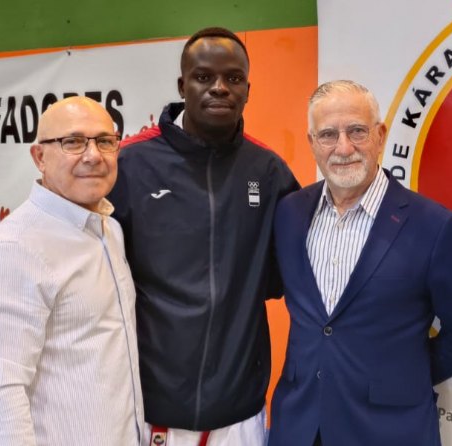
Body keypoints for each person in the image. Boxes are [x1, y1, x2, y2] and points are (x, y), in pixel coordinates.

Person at [268, 80, 452, 446]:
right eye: (328, 134)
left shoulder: (433, 226)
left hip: (389, 431)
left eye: (357, 131)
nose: (343, 147)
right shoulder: (288, 213)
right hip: (297, 426)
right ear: (312, 143)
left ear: (380, 135)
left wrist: (404, 374)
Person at [108, 27, 299, 446]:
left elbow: (286, 277)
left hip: (238, 411)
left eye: (233, 79)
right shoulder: (131, 165)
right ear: (182, 85)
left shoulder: (269, 173)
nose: (219, 88)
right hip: (148, 411)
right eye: (203, 77)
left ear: (248, 89)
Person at [0, 97, 143, 446]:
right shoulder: (14, 251)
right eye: (72, 142)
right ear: (40, 157)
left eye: (105, 141)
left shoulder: (108, 230)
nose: (93, 155)